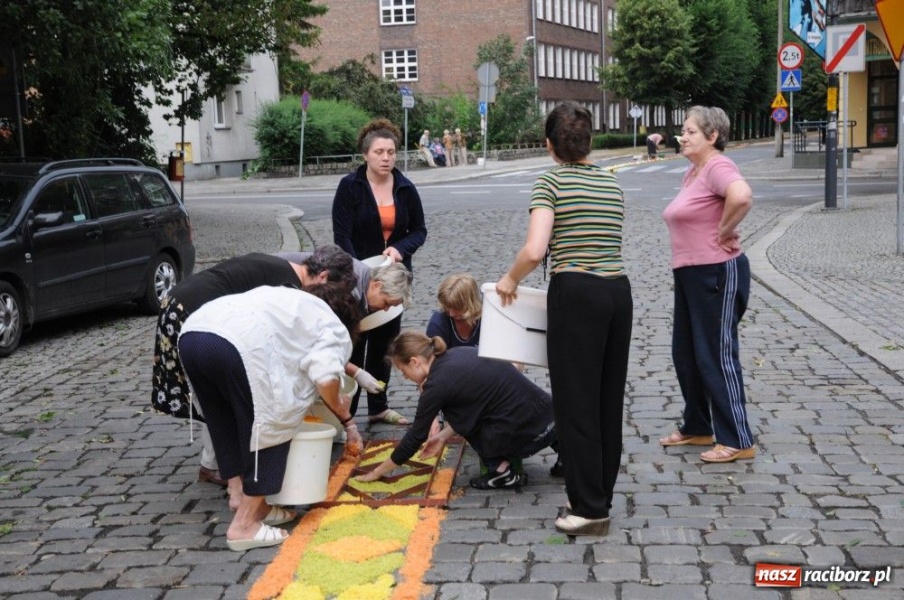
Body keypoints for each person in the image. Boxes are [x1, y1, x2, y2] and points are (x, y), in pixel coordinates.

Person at [495, 102, 633, 537]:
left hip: (576, 293)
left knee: (575, 403)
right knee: (606, 402)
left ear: (550, 145)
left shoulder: (550, 181)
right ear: (589, 142)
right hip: (617, 293)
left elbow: (536, 250)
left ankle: (589, 509)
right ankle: (597, 495)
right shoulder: (611, 184)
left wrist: (508, 279)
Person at [151, 248, 358, 488]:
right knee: (232, 400)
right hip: (193, 315)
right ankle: (225, 469)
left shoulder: (285, 268)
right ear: (322, 278)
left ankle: (229, 476)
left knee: (221, 399)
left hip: (195, 322)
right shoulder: (290, 287)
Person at [179, 283, 363, 552]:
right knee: (274, 421)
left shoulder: (290, 300)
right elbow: (325, 375)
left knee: (224, 419)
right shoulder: (333, 327)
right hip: (238, 346)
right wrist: (340, 407)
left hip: (194, 334)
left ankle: (239, 495)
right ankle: (244, 525)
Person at [658, 105, 755, 464]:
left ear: (712, 136)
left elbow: (741, 196)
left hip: (717, 272)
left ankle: (738, 438)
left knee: (716, 354)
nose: (682, 137)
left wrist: (724, 231)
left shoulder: (717, 165)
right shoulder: (694, 172)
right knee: (686, 354)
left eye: (690, 132)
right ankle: (698, 426)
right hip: (690, 273)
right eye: (683, 131)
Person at [355, 331, 558, 490]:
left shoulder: (435, 385)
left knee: (465, 418)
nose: (405, 377)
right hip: (550, 415)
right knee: (472, 409)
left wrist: (378, 472)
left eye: (402, 370)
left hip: (526, 432)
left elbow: (415, 437)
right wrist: (442, 437)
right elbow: (478, 403)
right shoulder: (457, 353)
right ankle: (565, 453)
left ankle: (501, 472)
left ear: (415, 361)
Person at [332, 117, 427, 424]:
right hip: (359, 278)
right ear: (365, 155)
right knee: (356, 343)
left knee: (386, 343)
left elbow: (420, 230)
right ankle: (346, 411)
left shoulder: (405, 187)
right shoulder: (350, 187)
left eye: (391, 152)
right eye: (379, 152)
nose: (386, 158)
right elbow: (341, 235)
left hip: (394, 278)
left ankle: (379, 407)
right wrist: (359, 269)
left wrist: (400, 248)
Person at [426, 273, 481, 349]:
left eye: (457, 308)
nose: (451, 313)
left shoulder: (487, 319)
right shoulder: (438, 324)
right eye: (447, 306)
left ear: (471, 304)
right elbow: (432, 358)